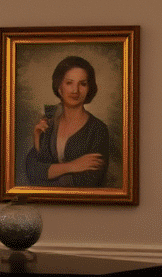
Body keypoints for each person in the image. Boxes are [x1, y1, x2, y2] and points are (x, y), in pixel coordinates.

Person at [25, 56, 110, 188]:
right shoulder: (49, 124)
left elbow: (88, 182)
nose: (75, 90)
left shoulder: (98, 130)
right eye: (69, 83)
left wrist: (49, 173)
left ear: (89, 89)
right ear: (59, 88)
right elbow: (32, 170)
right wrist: (73, 166)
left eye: (83, 84)